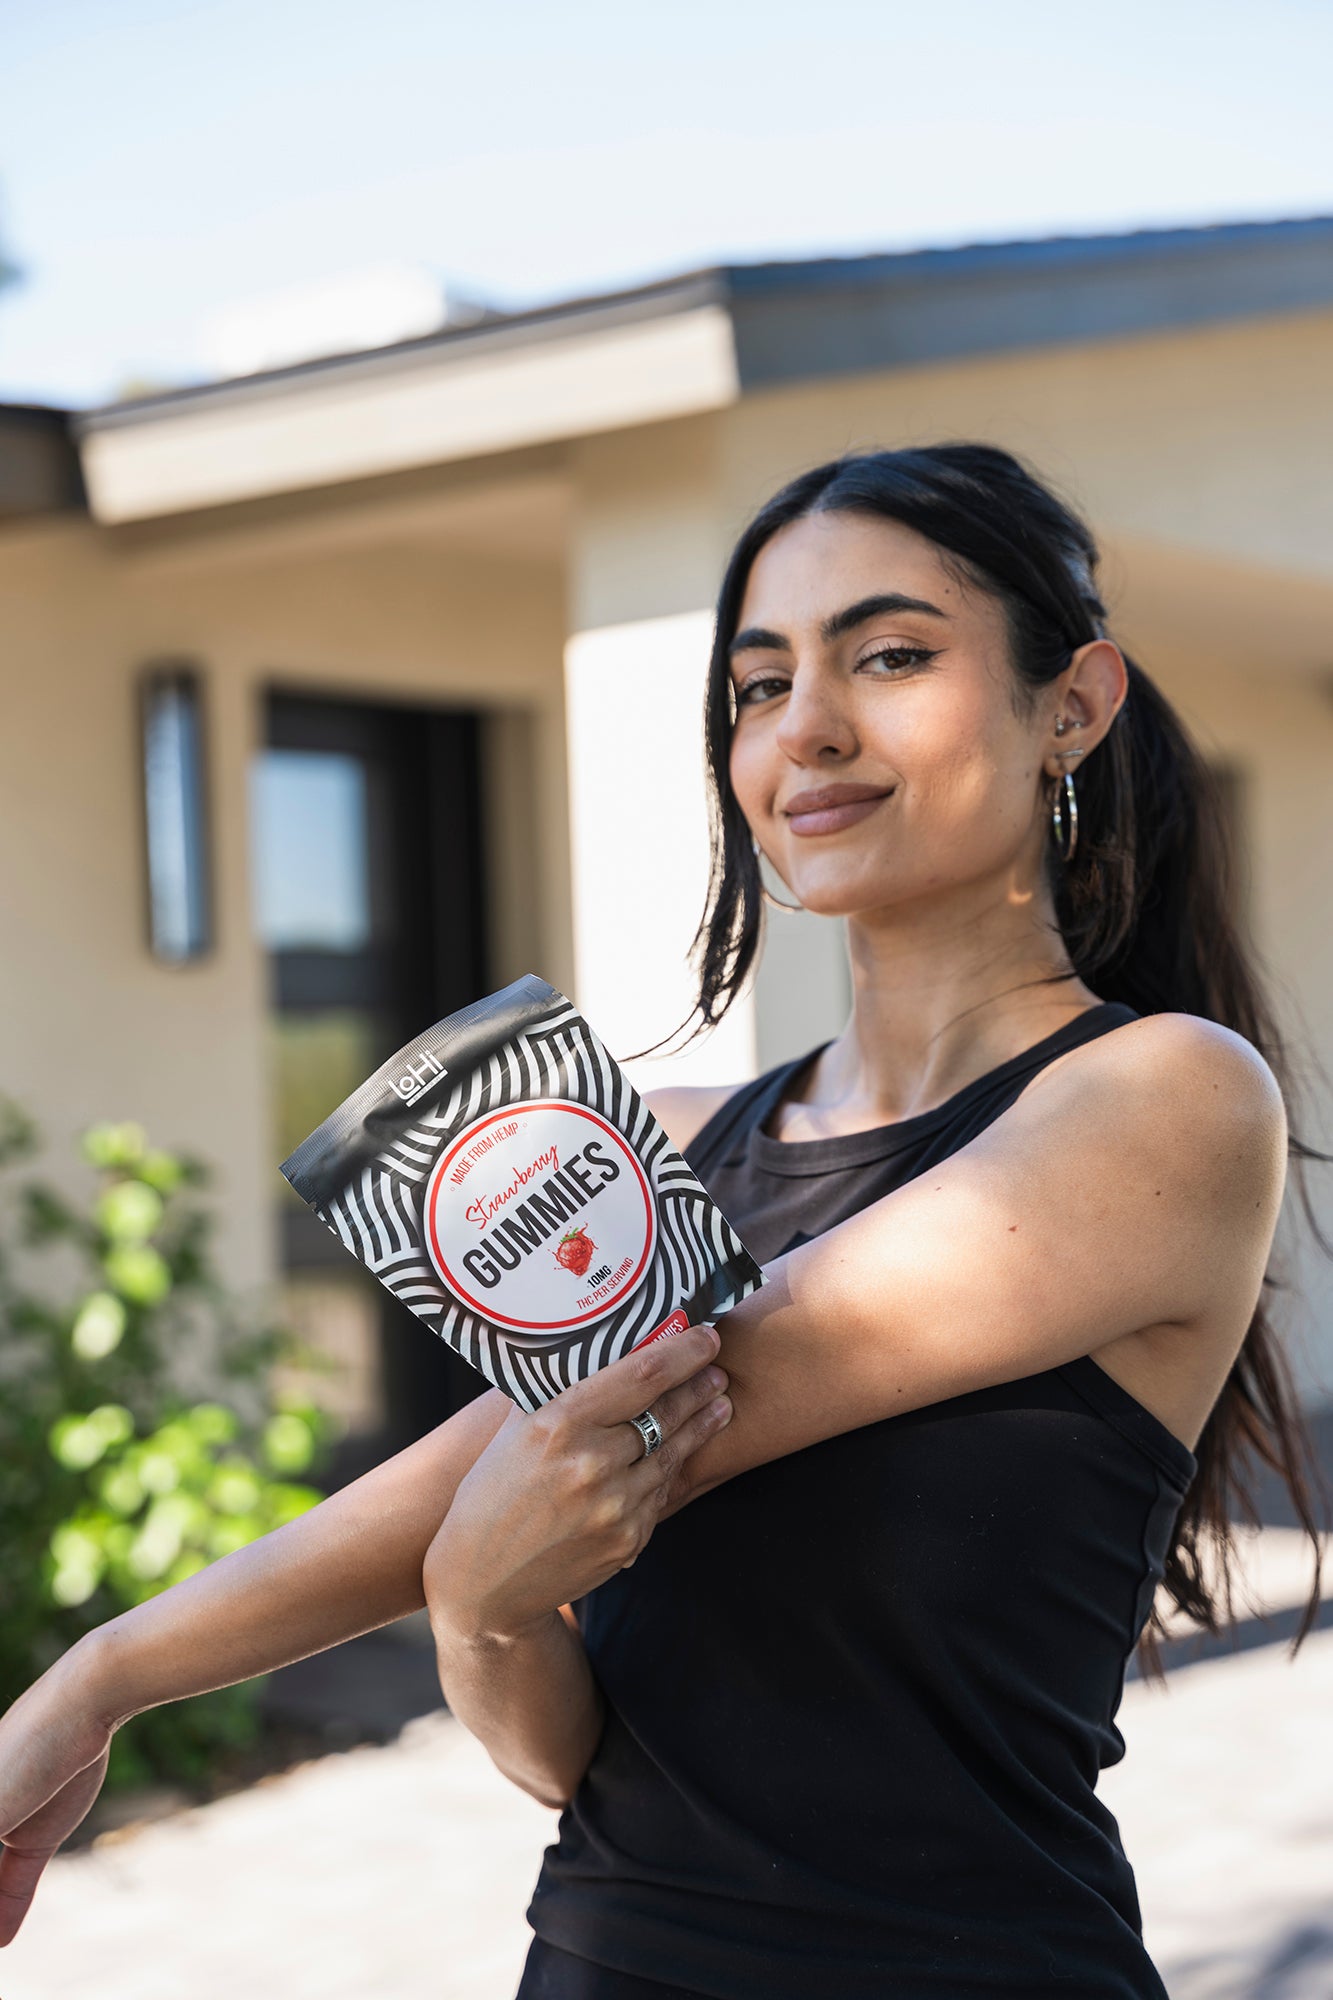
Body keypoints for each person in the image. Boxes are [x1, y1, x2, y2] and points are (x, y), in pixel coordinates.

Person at [0, 445, 1326, 1998]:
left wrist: (99, 1679)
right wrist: (484, 1617)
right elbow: (582, 1761)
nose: (806, 728)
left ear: (1071, 705)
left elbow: (672, 1399)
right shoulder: (676, 1142)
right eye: (758, 687)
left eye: (890, 656)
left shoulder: (1162, 1100)